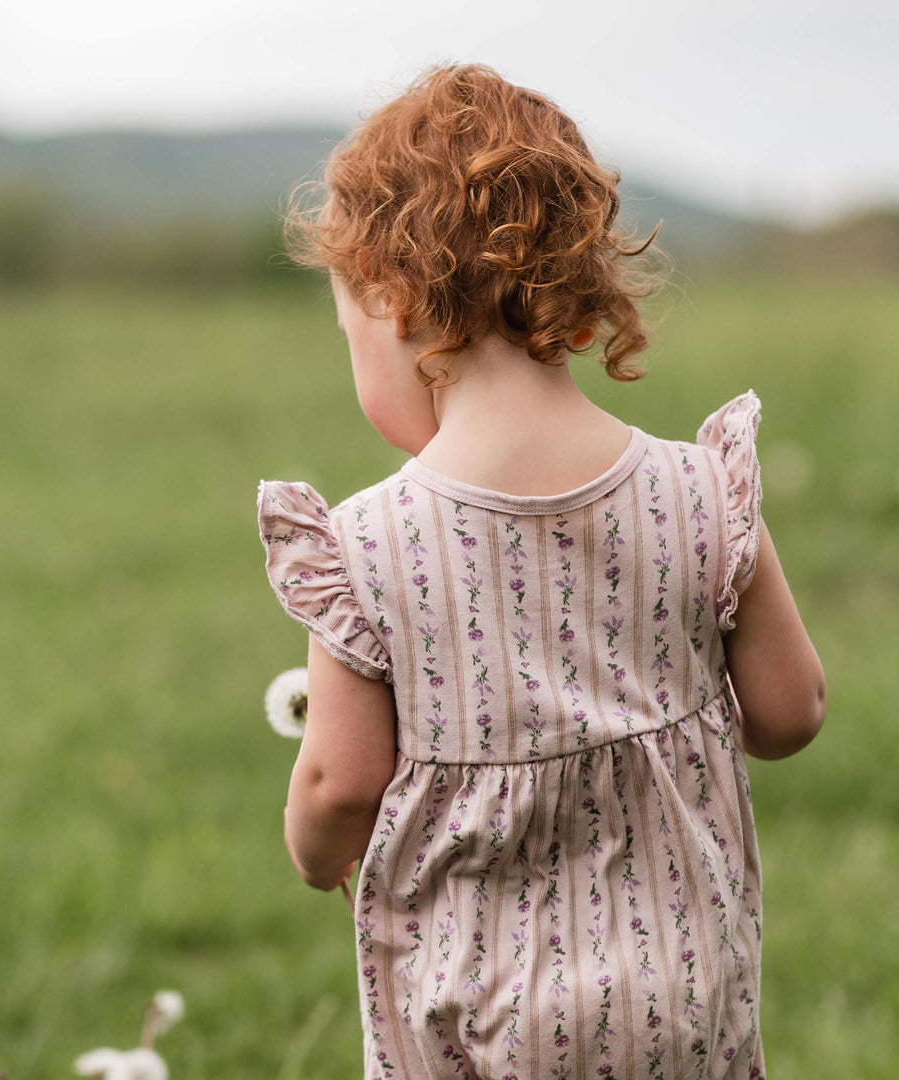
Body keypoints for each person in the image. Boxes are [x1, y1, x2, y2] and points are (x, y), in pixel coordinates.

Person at [256, 61, 826, 1080]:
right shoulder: (702, 492)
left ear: (388, 298)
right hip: (685, 1000)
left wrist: (312, 848)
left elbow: (342, 779)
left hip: (473, 1017)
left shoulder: (370, 546)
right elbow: (789, 714)